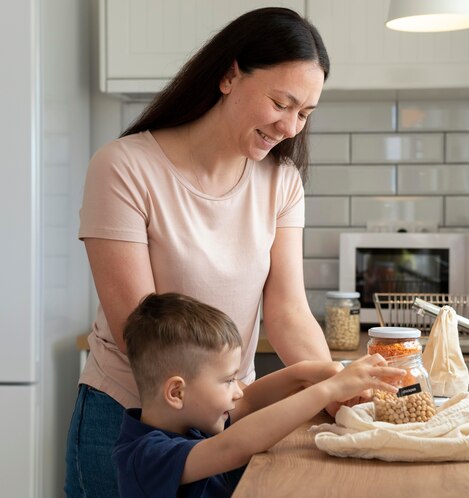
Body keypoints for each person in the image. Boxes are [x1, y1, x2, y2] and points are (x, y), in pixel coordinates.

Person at [65, 7, 337, 497]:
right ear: (230, 75)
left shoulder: (281, 182)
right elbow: (140, 333)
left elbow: (289, 309)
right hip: (130, 417)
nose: (291, 127)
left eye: (305, 113)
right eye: (281, 102)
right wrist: (240, 404)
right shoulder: (124, 168)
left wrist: (335, 387)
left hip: (229, 409)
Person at [113, 292, 402, 497]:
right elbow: (233, 447)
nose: (238, 391)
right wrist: (330, 389)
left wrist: (306, 373)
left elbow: (250, 400)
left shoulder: (189, 420)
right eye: (227, 380)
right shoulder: (145, 456)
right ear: (176, 392)